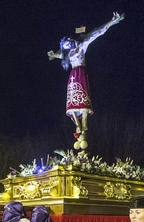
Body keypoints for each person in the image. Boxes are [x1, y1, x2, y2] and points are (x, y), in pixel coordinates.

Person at [48, 12, 124, 149]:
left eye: (67, 45)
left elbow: (97, 33)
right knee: (72, 102)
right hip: (73, 76)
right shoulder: (68, 53)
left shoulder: (81, 46)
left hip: (80, 72)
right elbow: (58, 55)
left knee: (82, 99)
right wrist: (53, 54)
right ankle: (78, 125)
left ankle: (84, 122)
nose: (67, 48)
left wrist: (112, 21)